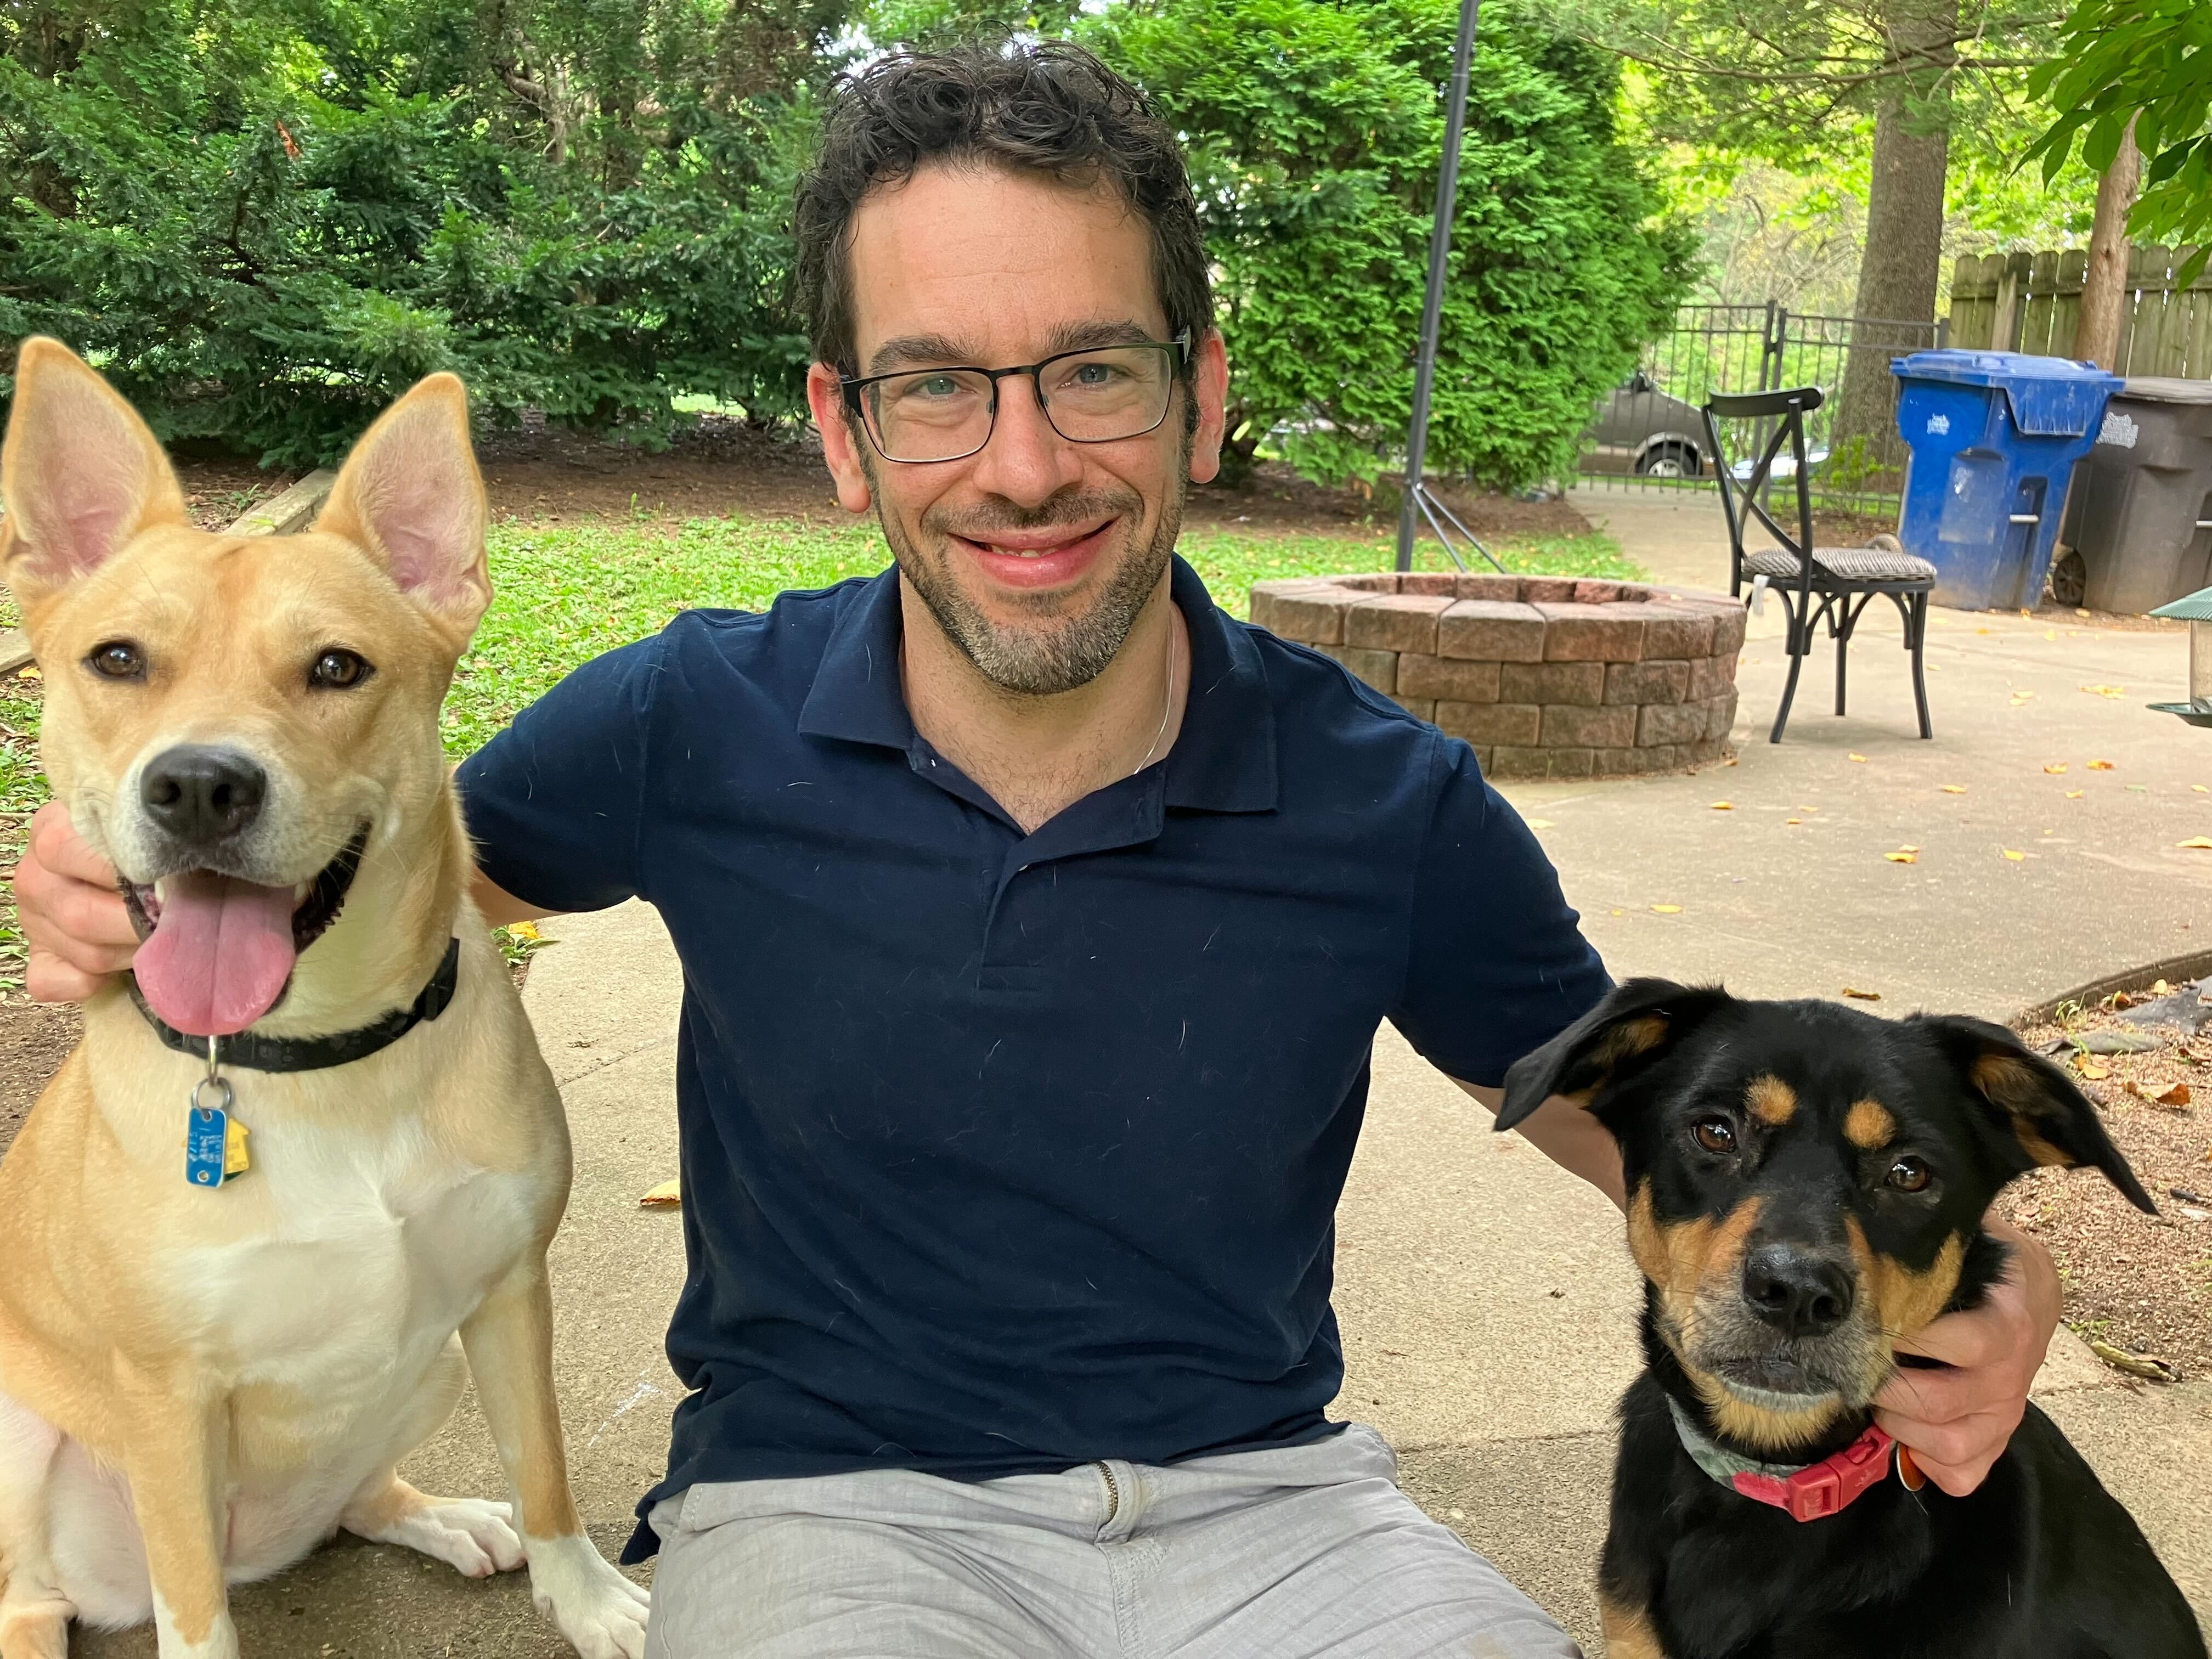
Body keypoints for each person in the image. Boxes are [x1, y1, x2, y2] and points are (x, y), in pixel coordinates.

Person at [15, 42, 2061, 1659]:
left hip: (1285, 1514)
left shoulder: (1386, 798)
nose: (1020, 464)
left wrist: (1962, 1280)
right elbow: (399, 873)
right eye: (935, 389)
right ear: (841, 431)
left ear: (1199, 397)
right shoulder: (685, 719)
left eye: (1092, 369)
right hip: (821, 1515)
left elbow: (1663, 1123)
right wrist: (159, 877)